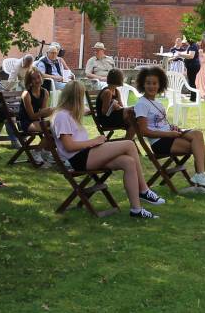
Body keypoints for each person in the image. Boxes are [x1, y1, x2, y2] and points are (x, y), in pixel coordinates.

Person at [49, 82, 164, 219]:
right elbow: (69, 146)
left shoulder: (69, 113)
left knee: (128, 162)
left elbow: (84, 113)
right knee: (128, 144)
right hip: (78, 159)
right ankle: (144, 189)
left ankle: (136, 209)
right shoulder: (62, 116)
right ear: (76, 97)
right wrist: (94, 141)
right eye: (81, 96)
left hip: (86, 154)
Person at [131, 67, 205, 191]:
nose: (151, 86)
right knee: (201, 148)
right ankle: (200, 181)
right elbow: (144, 132)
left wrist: (172, 128)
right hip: (159, 142)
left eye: (155, 83)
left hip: (169, 136)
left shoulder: (158, 103)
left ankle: (200, 177)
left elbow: (160, 123)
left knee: (198, 135)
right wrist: (168, 134)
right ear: (142, 85)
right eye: (148, 83)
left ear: (160, 85)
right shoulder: (141, 104)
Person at [16, 66, 55, 168]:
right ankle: (36, 152)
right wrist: (46, 112)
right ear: (30, 81)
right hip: (25, 122)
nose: (37, 80)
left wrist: (51, 111)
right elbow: (31, 116)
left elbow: (42, 112)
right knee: (51, 128)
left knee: (56, 125)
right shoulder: (26, 94)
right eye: (34, 78)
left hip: (37, 121)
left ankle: (45, 152)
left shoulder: (45, 92)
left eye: (39, 77)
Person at [178, 37, 202, 102]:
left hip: (193, 66)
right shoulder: (191, 46)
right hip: (191, 66)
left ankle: (193, 98)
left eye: (185, 42)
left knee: (192, 82)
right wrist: (180, 53)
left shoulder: (193, 46)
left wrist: (181, 55)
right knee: (191, 82)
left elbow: (191, 56)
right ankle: (193, 97)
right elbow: (186, 52)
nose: (185, 43)